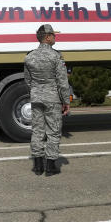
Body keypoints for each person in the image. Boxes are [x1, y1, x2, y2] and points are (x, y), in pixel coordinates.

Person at [24, 24, 71, 176]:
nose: (55, 37)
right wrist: (66, 102)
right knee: (53, 131)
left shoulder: (29, 56)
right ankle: (50, 166)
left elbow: (28, 80)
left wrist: (36, 92)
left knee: (37, 130)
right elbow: (62, 82)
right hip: (52, 99)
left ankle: (37, 166)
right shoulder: (56, 56)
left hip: (36, 97)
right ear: (48, 37)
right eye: (54, 35)